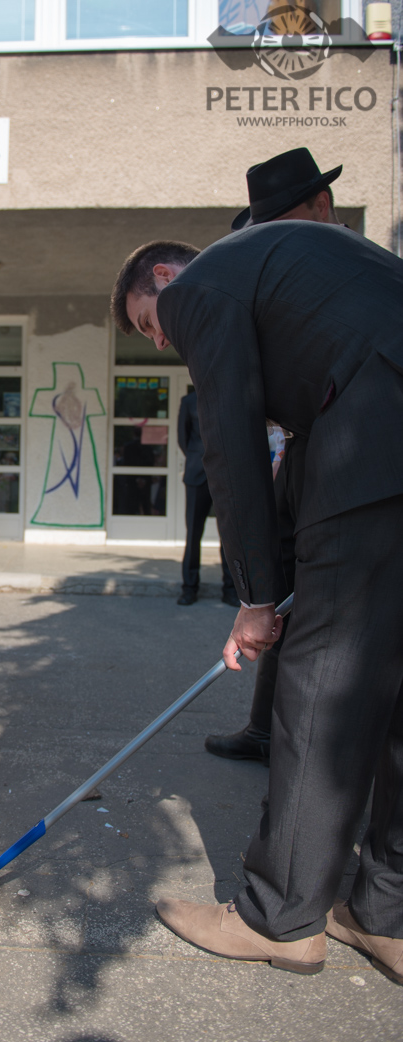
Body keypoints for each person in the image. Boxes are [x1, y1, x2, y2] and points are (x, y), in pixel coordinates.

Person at [111, 225, 403, 982]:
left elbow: (231, 437)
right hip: (384, 432)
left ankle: (281, 917)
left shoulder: (201, 287)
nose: (163, 340)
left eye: (149, 323)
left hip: (375, 439)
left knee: (324, 683)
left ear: (164, 277)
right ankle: (387, 913)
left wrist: (255, 597)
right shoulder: (293, 268)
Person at [206, 146, 343, 762]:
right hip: (295, 455)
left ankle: (308, 761)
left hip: (346, 464)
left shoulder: (358, 274)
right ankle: (264, 730)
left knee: (321, 612)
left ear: (322, 205)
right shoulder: (286, 278)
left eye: (284, 225)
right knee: (281, 590)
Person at [176, 385, 237, 608]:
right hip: (196, 475)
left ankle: (230, 590)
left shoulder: (228, 397)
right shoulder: (188, 402)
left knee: (229, 536)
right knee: (193, 534)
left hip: (224, 475)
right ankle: (189, 588)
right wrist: (199, 458)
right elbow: (183, 439)